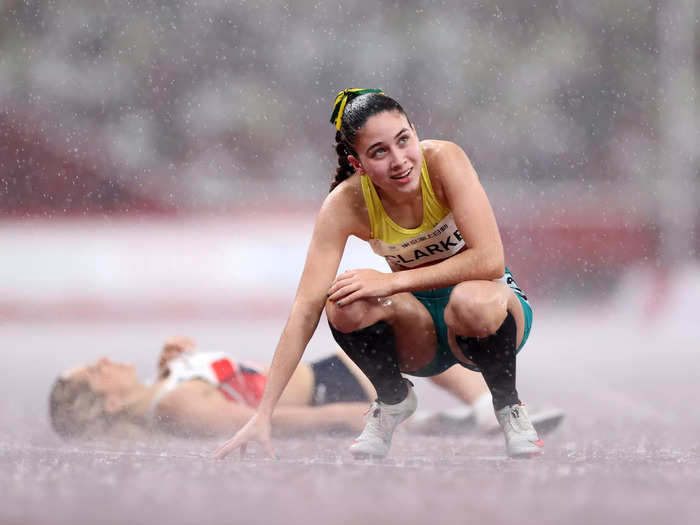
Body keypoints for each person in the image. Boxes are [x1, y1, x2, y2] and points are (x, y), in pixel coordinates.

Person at [214, 89, 547, 460]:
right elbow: (305, 308)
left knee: (469, 300)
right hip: (420, 332)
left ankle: (509, 409)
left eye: (404, 140)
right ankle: (392, 399)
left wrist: (392, 280)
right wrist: (265, 412)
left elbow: (488, 260)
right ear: (358, 164)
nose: (400, 161)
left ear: (415, 132)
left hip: (488, 313)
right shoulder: (345, 204)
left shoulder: (445, 160)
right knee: (342, 302)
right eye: (379, 152)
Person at [49, 335, 563, 441]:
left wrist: (180, 361)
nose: (102, 360)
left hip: (326, 378)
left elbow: (235, 391)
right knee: (403, 334)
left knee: (394, 331)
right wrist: (347, 417)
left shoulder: (167, 389)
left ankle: (444, 420)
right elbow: (259, 420)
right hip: (330, 392)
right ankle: (486, 409)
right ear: (110, 401)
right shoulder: (176, 405)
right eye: (93, 373)